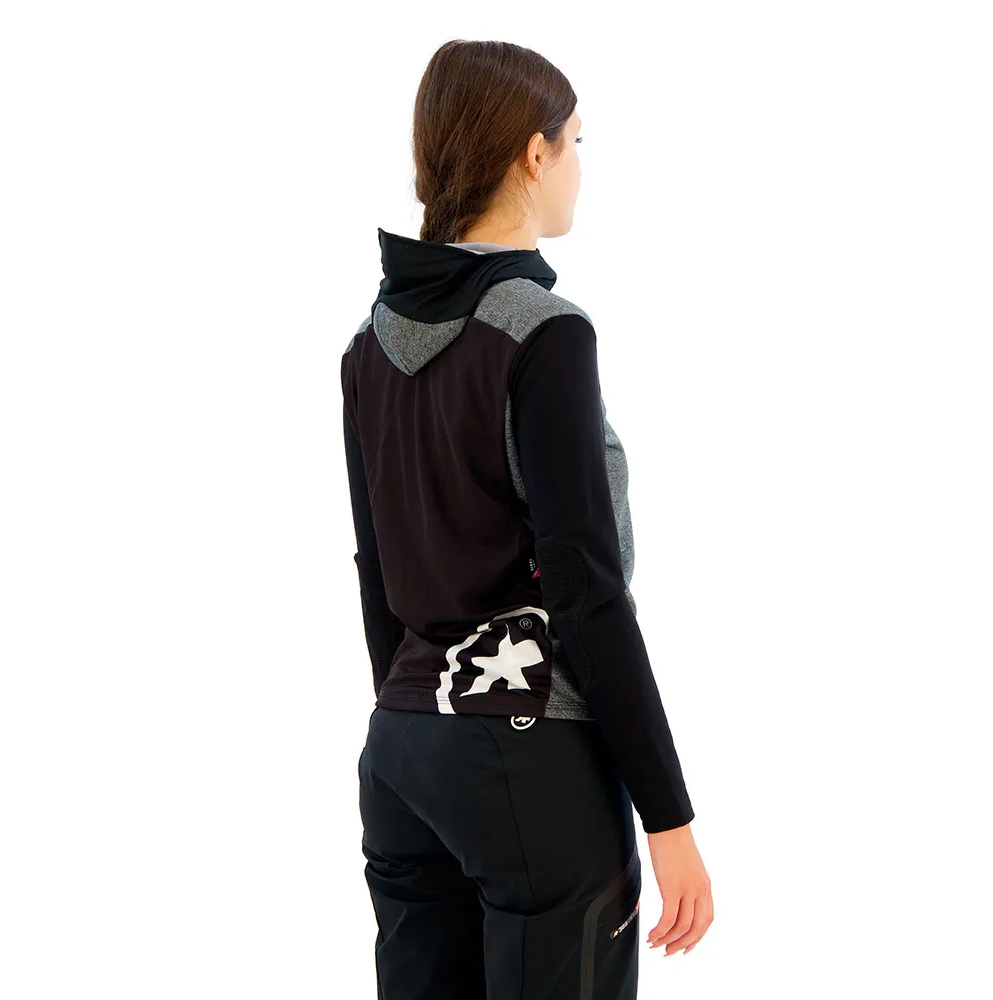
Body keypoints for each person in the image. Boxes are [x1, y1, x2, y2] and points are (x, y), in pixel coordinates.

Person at [342, 38, 713, 999]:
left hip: (401, 752)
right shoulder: (544, 332)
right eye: (576, 141)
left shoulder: (368, 346)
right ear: (532, 153)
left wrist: (415, 713)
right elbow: (586, 590)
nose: (580, 165)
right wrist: (669, 816)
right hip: (530, 759)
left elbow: (375, 568)